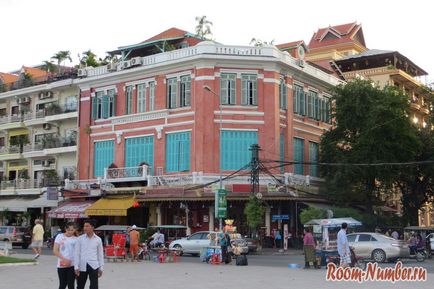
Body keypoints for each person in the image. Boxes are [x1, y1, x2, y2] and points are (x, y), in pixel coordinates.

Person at [74, 219, 104, 289]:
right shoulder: (80, 239)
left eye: (87, 226)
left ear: (92, 227)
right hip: (82, 265)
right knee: (80, 286)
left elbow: (100, 254)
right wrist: (76, 266)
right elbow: (76, 253)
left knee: (94, 286)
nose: (85, 228)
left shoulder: (98, 239)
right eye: (84, 226)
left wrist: (101, 267)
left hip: (94, 265)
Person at [53, 222, 77, 289]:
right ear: (65, 229)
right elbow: (55, 250)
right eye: (68, 229)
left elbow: (77, 253)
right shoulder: (59, 236)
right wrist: (64, 259)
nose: (70, 231)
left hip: (72, 265)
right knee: (62, 284)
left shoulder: (76, 239)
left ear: (75, 230)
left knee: (71, 285)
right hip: (61, 264)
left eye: (72, 230)